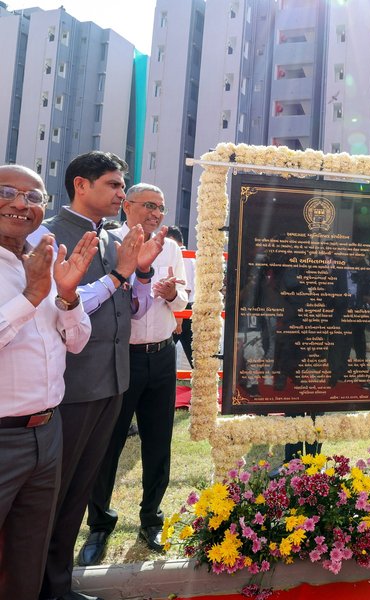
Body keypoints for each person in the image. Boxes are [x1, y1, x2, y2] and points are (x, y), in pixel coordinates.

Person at [39, 151, 164, 600]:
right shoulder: (47, 237)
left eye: (123, 186)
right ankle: (32, 584)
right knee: (49, 496)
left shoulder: (116, 240)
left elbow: (134, 310)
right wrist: (121, 273)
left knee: (77, 491)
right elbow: (57, 307)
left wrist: (142, 273)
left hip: (113, 380)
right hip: (69, 386)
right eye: (113, 185)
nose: (121, 194)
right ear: (81, 185)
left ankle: (58, 583)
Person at [0, 165, 95, 600]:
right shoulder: (33, 277)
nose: (22, 204)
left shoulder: (45, 260)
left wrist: (68, 296)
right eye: (8, 192)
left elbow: (76, 342)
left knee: (28, 557)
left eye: (34, 197)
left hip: (46, 432)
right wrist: (31, 296)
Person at [79, 184, 187, 566]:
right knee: (107, 444)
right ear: (127, 206)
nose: (156, 213)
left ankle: (151, 519)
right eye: (149, 205)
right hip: (120, 357)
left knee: (158, 443)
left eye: (161, 207)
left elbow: (184, 299)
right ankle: (99, 524)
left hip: (162, 355)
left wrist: (171, 294)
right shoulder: (109, 243)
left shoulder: (170, 247)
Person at [167, 226, 195, 367]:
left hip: (183, 308)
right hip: (183, 308)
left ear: (172, 239)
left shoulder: (183, 256)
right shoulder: (185, 256)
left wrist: (179, 318)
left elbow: (186, 288)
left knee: (168, 350)